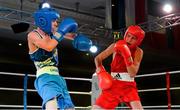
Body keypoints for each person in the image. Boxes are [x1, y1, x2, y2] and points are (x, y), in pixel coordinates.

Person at [27, 7, 91, 109]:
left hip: (57, 77)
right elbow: (49, 47)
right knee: (51, 99)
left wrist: (78, 37)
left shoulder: (52, 33)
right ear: (43, 21)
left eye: (56, 21)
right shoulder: (33, 35)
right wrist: (62, 31)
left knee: (68, 106)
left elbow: (70, 35)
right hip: (44, 77)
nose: (56, 23)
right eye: (53, 21)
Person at [93, 25, 145, 109]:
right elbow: (97, 59)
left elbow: (132, 73)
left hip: (129, 86)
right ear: (125, 35)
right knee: (96, 108)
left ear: (138, 41)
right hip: (113, 84)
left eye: (133, 38)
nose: (129, 40)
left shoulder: (138, 51)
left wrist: (126, 56)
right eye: (128, 36)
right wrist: (101, 72)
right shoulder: (115, 45)